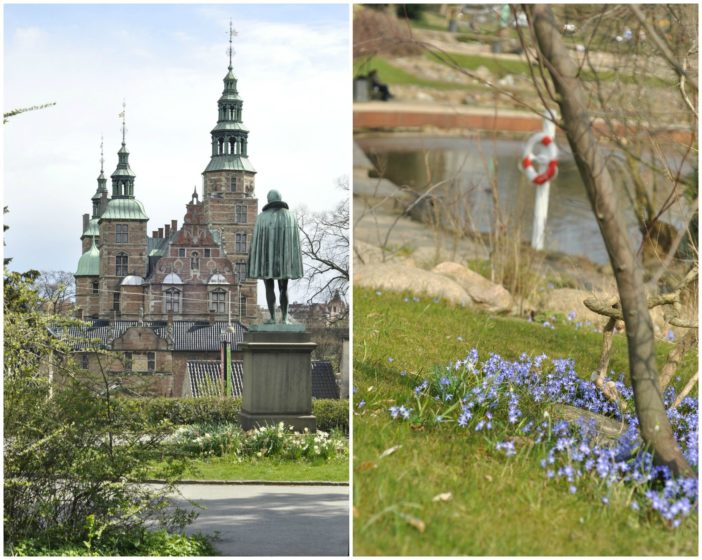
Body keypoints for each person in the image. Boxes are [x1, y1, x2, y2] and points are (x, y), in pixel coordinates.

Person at [247, 190, 303, 324]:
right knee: (284, 288)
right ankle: (284, 319)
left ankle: (272, 318)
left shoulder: (261, 218)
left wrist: (256, 261)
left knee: (269, 287)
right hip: (284, 260)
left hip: (266, 260)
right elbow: (294, 242)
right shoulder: (291, 216)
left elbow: (256, 242)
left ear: (269, 201)